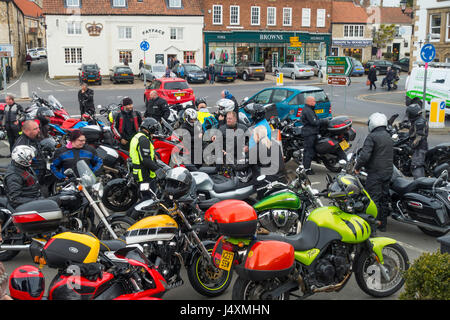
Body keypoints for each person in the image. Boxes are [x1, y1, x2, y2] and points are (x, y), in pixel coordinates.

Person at [354, 112, 393, 232]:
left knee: (373, 199)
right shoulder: (388, 136)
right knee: (384, 199)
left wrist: (357, 166)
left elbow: (365, 155)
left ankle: (372, 227)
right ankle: (383, 225)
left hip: (375, 173)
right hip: (388, 171)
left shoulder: (372, 137)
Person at [129, 117, 162, 191]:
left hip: (138, 172)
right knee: (149, 198)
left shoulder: (137, 136)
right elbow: (146, 160)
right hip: (145, 175)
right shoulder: (144, 140)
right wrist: (158, 169)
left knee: (144, 195)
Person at [300, 96, 323, 175]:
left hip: (311, 132)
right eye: (314, 101)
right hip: (309, 133)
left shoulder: (309, 110)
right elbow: (314, 122)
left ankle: (306, 167)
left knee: (310, 150)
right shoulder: (308, 111)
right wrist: (323, 121)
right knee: (309, 151)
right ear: (309, 102)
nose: (315, 103)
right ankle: (307, 169)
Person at [406, 104, 428, 178]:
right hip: (420, 147)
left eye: (409, 113)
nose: (408, 115)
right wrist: (406, 126)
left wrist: (411, 147)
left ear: (413, 114)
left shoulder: (419, 123)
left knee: (416, 166)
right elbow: (415, 129)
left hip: (419, 148)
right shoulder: (418, 120)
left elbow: (419, 137)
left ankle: (420, 185)